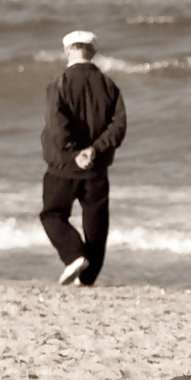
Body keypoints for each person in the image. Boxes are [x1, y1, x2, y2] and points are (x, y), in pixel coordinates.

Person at [39, 31, 127, 287]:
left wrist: (74, 152)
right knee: (96, 227)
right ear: (94, 53)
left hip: (62, 166)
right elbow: (118, 126)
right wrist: (94, 150)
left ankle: (74, 255)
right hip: (96, 168)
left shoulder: (59, 83)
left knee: (52, 214)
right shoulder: (109, 85)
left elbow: (57, 124)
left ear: (68, 51)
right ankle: (87, 279)